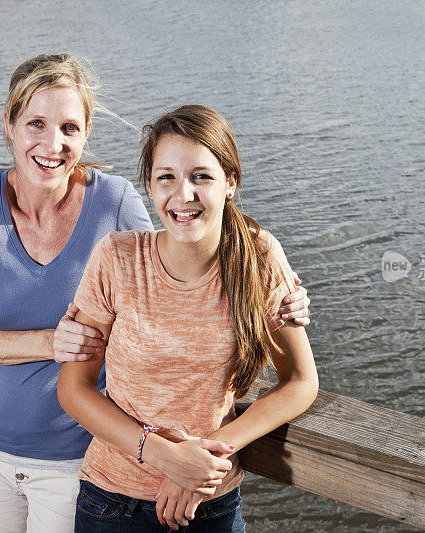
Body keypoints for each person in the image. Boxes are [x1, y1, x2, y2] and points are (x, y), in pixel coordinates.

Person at [0, 54, 311, 533]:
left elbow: (166, 274)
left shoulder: (113, 204)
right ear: (9, 124)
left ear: (87, 130)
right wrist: (54, 342)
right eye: (35, 123)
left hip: (79, 455)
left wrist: (279, 298)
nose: (52, 143)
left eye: (69, 126)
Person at [57, 104, 319, 532]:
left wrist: (209, 457)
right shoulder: (118, 257)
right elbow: (73, 388)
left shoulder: (259, 256)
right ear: (150, 184)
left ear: (230, 182)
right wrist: (163, 455)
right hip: (112, 505)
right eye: (167, 177)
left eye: (201, 176)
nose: (183, 195)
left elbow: (300, 382)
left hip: (210, 505)